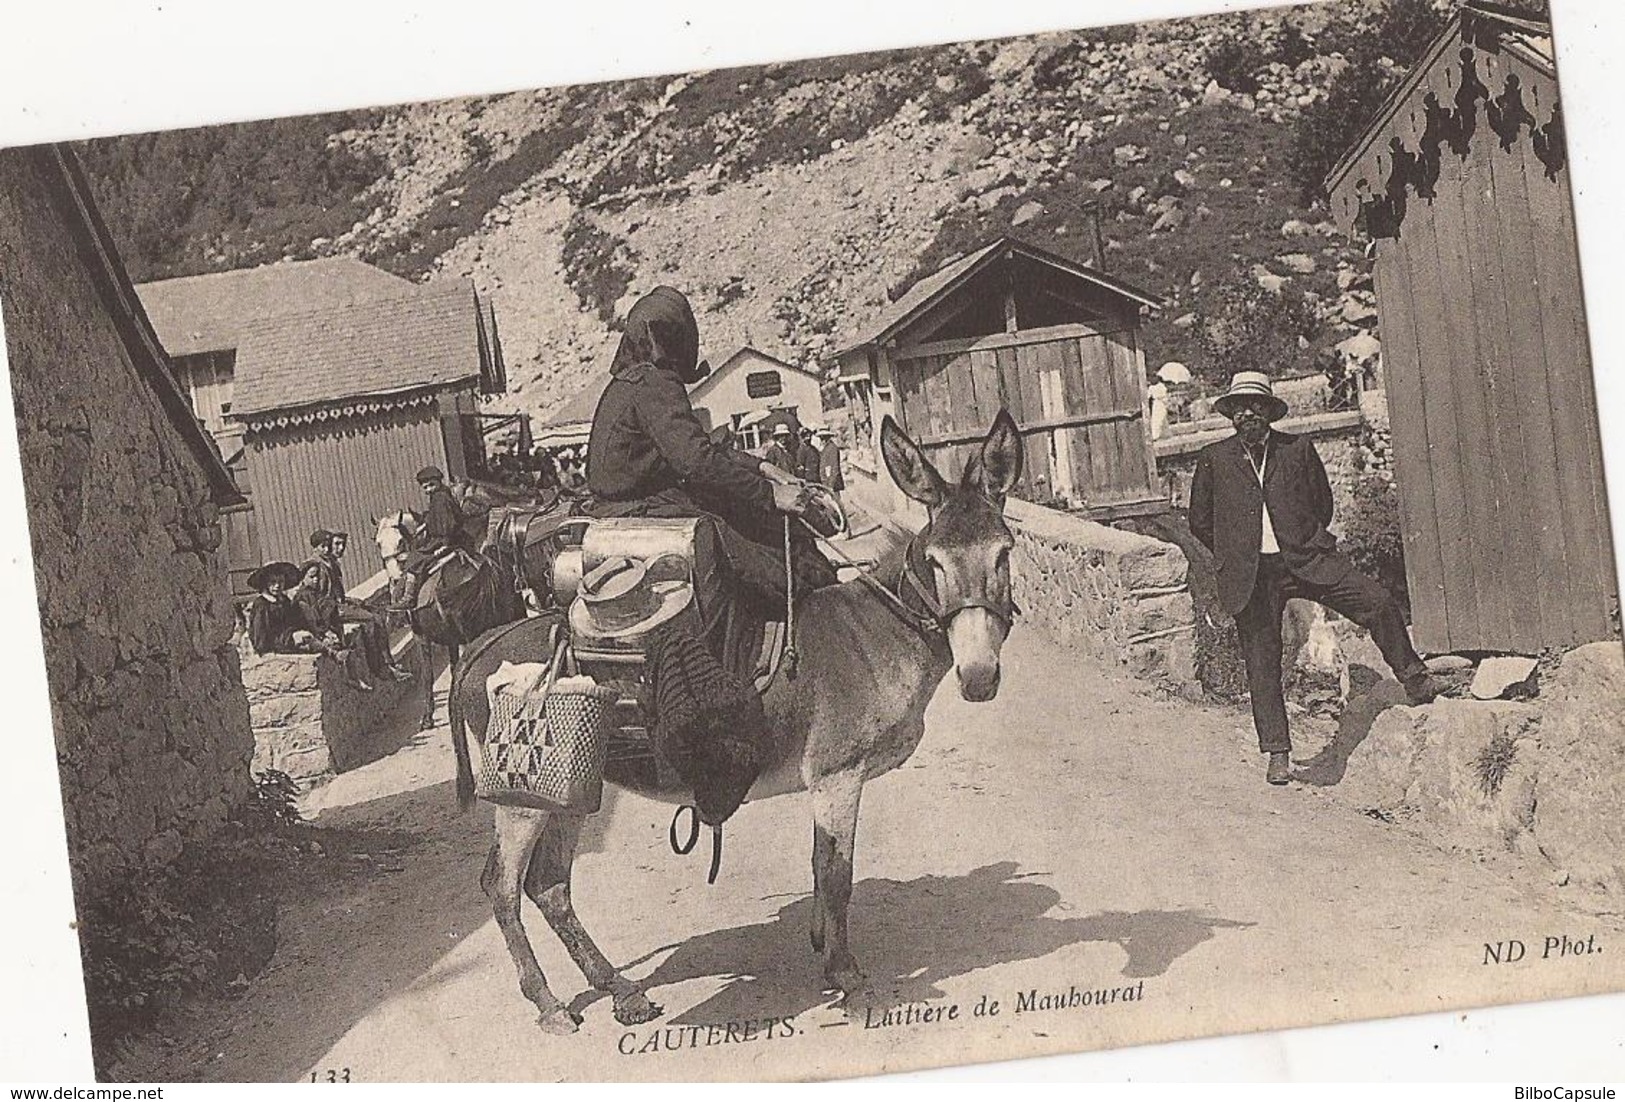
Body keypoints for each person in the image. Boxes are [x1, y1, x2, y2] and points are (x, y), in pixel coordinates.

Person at [585, 286, 836, 820]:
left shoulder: (632, 382)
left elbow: (700, 450)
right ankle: (721, 692)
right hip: (644, 514)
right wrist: (774, 495)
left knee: (745, 522)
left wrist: (765, 469)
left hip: (634, 504)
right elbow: (696, 463)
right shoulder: (656, 386)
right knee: (745, 548)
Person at [1188, 371, 1440, 787]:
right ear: (1230, 414)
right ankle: (1278, 753)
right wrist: (1233, 554)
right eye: (1239, 407)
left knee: (1376, 601)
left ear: (1269, 411)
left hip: (1306, 560)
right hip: (1252, 575)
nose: (1247, 413)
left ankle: (1415, 678)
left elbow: (1323, 503)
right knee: (1262, 662)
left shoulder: (1297, 449)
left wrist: (1307, 539)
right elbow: (1200, 521)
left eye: (1256, 405)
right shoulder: (1215, 459)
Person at [309, 529, 412, 683]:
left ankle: (388, 663)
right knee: (371, 620)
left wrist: (350, 600)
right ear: (316, 547)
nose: (335, 549)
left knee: (376, 614)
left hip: (337, 606)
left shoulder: (330, 563)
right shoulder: (316, 566)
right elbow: (316, 597)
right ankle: (380, 668)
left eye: (332, 545)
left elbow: (335, 592)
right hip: (329, 612)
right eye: (332, 545)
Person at [814, 425, 845, 511]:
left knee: (835, 504)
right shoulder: (825, 448)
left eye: (823, 437)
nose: (822, 440)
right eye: (821, 438)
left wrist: (830, 485)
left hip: (832, 483)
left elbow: (834, 468)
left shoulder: (832, 448)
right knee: (831, 505)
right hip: (827, 483)